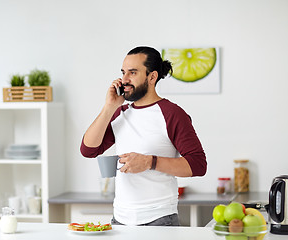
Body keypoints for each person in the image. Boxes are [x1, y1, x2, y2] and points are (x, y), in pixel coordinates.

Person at [80, 46, 207, 226]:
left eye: (132, 73)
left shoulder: (172, 114)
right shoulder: (120, 113)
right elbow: (88, 150)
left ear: (152, 77)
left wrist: (149, 162)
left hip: (159, 220)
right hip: (120, 220)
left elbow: (198, 164)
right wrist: (109, 107)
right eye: (123, 72)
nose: (124, 79)